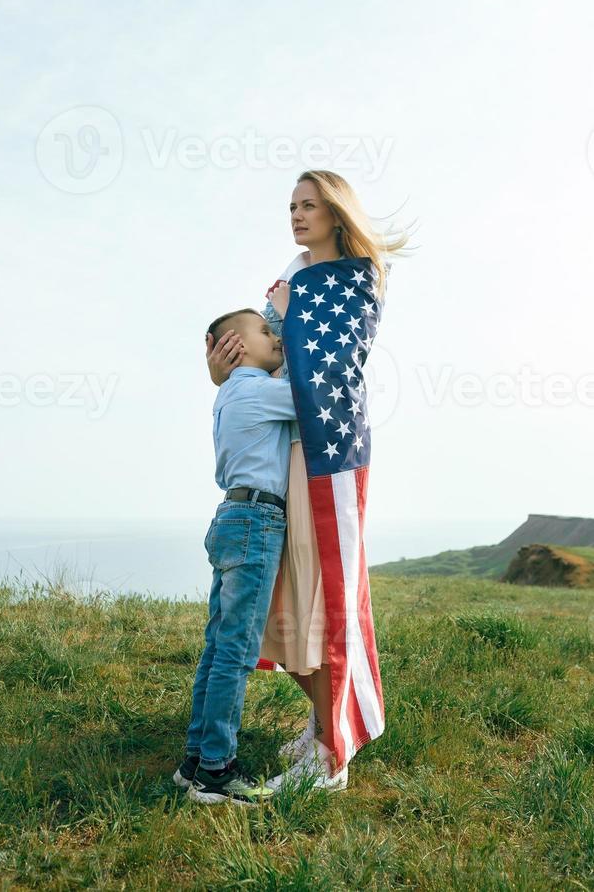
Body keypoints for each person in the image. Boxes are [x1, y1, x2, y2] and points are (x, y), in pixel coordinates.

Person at [206, 169, 409, 793]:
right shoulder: (290, 277)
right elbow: (265, 358)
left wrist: (290, 318)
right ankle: (323, 723)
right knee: (286, 598)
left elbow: (337, 363)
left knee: (319, 595)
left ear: (336, 213)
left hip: (325, 457)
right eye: (291, 206)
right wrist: (223, 367)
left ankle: (332, 750)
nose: (296, 216)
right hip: (281, 453)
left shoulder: (355, 279)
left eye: (309, 206)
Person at [173, 305, 298, 806]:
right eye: (267, 332)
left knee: (217, 645)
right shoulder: (259, 391)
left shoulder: (230, 392)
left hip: (232, 517)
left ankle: (195, 760)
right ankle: (216, 772)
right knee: (236, 653)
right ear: (239, 347)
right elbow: (315, 396)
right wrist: (295, 332)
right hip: (255, 523)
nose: (277, 338)